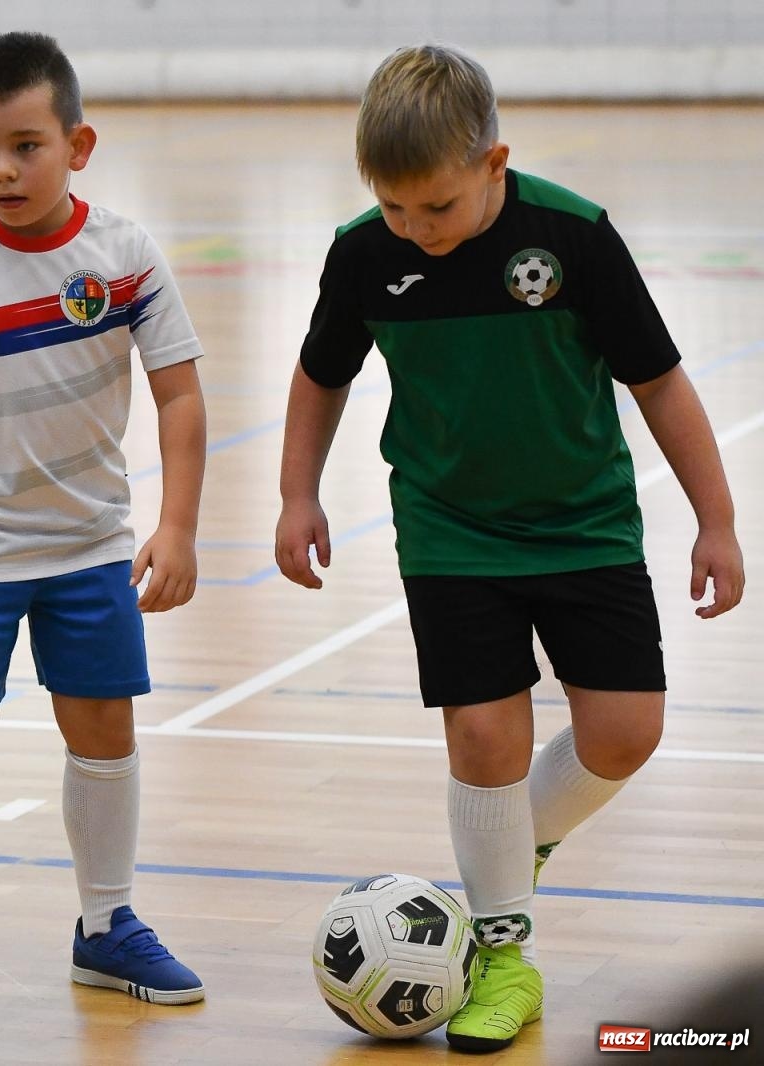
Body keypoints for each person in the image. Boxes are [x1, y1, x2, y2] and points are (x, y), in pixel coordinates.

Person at [275, 43, 745, 1054]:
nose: (416, 228)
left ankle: (509, 852)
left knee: (625, 731)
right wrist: (295, 494)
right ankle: (504, 954)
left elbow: (659, 382)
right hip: (449, 530)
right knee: (483, 737)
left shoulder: (573, 237)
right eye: (395, 207)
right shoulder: (363, 254)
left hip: (585, 523)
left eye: (437, 206)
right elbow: (320, 374)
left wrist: (716, 519)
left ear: (494, 162)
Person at [0, 31, 209, 1037]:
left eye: (25, 146)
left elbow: (180, 395)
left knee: (104, 728)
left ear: (78, 145)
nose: (2, 170)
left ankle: (106, 926)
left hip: (88, 547)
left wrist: (177, 526)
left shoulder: (125, 255)